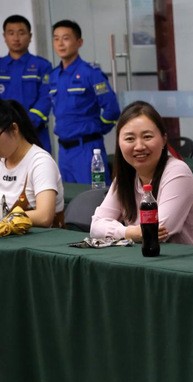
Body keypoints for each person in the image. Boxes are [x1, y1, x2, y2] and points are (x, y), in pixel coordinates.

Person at [90, 101, 193, 247]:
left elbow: (159, 231)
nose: (139, 146)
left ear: (164, 139)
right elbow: (95, 227)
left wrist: (127, 232)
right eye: (130, 139)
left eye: (147, 137)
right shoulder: (125, 177)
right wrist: (130, 232)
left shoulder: (178, 172)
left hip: (192, 260)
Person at [49, 20, 120, 184]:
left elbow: (112, 109)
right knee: (69, 197)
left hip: (88, 149)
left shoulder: (90, 73)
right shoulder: (54, 76)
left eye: (66, 38)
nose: (60, 43)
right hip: (64, 152)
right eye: (56, 38)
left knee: (96, 193)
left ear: (79, 42)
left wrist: (97, 129)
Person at [0, 99, 63, 227]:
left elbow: (44, 216)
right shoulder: (2, 161)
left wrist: (5, 220)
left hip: (41, 237)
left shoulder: (41, 162)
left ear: (14, 129)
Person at [0, 15, 53, 153]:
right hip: (3, 133)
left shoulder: (43, 66)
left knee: (38, 165)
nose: (16, 38)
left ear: (30, 36)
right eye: (11, 33)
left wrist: (26, 123)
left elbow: (46, 98)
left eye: (21, 33)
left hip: (35, 133)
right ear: (4, 37)